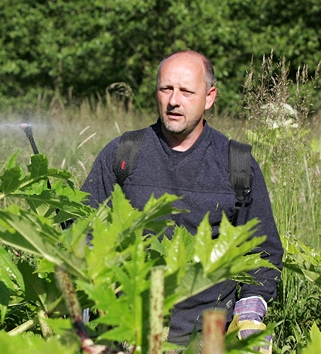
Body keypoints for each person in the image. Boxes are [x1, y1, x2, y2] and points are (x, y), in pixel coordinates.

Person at [80, 50, 284, 346]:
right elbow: (84, 227)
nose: (174, 101)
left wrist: (250, 314)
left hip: (210, 334)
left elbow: (263, 252)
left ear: (209, 97)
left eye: (187, 91)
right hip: (128, 327)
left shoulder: (236, 163)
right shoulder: (124, 153)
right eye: (166, 89)